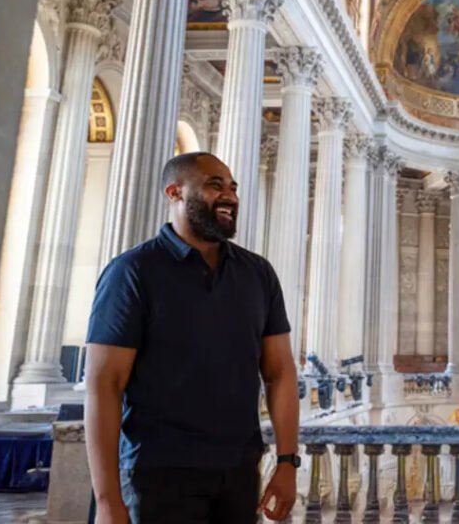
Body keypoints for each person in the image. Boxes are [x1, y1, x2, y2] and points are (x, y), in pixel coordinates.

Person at [84, 152, 300, 524]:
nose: (230, 196)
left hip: (239, 472)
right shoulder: (133, 272)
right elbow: (104, 386)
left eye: (233, 188)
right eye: (216, 185)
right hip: (157, 475)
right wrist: (107, 501)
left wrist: (286, 462)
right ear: (175, 192)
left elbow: (280, 373)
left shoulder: (258, 274)